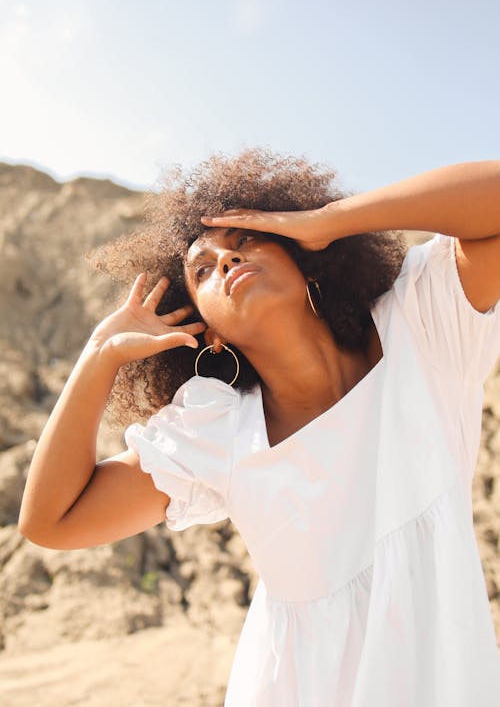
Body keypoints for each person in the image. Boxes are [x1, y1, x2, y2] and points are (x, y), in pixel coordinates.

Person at [19, 149, 500, 706]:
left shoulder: (423, 325)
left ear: (306, 260)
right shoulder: (219, 432)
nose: (225, 259)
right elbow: (52, 520)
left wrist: (331, 220)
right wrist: (99, 356)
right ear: (210, 332)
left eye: (245, 239)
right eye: (202, 270)